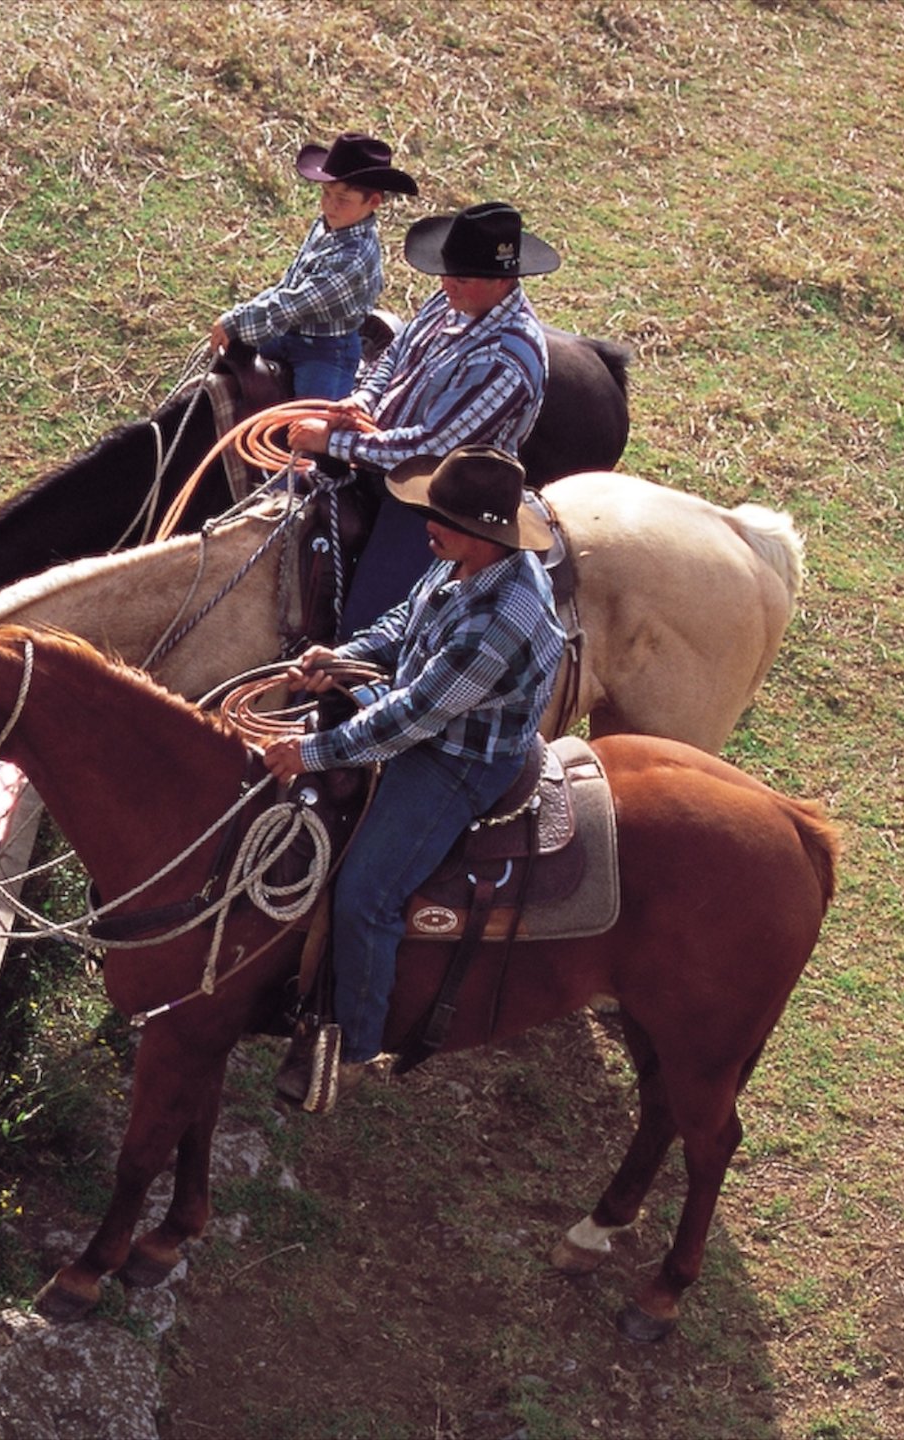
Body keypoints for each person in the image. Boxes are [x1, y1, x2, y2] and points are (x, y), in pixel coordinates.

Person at [259, 447, 565, 1104]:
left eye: (443, 518)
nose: (428, 525)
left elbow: (413, 720)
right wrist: (341, 657)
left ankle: (357, 1044)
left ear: (485, 534)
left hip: (458, 762)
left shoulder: (505, 620)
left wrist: (312, 753)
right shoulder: (461, 563)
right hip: (421, 717)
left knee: (367, 893)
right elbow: (406, 623)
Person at [287, 200, 558, 634]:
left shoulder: (509, 360)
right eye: (446, 273)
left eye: (462, 278)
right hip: (381, 455)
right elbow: (396, 352)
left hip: (439, 500)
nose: (447, 285)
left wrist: (333, 443)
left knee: (368, 621)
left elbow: (430, 449)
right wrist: (363, 401)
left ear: (504, 281)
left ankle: (351, 683)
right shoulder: (452, 299)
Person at [209, 132, 417, 401]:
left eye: (342, 199)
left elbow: (297, 302)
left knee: (310, 422)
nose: (330, 205)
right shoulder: (325, 226)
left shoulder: (354, 257)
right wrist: (242, 315)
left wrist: (238, 320)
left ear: (373, 202)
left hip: (327, 349)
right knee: (225, 358)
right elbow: (289, 284)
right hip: (290, 332)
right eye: (326, 193)